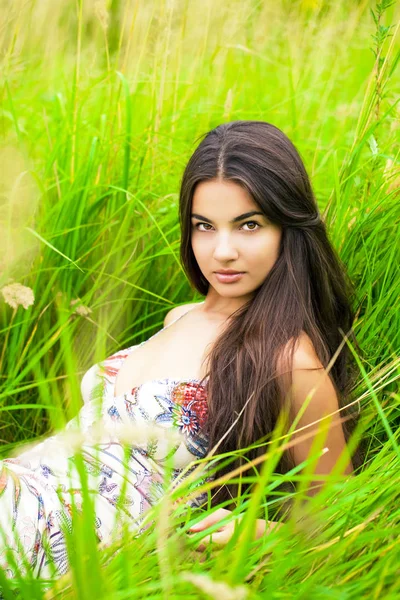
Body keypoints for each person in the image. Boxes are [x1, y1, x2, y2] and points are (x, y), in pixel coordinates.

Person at [0, 120, 362, 581]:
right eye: (204, 226)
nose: (222, 251)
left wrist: (257, 531)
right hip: (21, 489)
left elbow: (340, 520)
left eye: (249, 225)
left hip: (71, 547)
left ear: (287, 229)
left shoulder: (290, 360)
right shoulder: (180, 316)